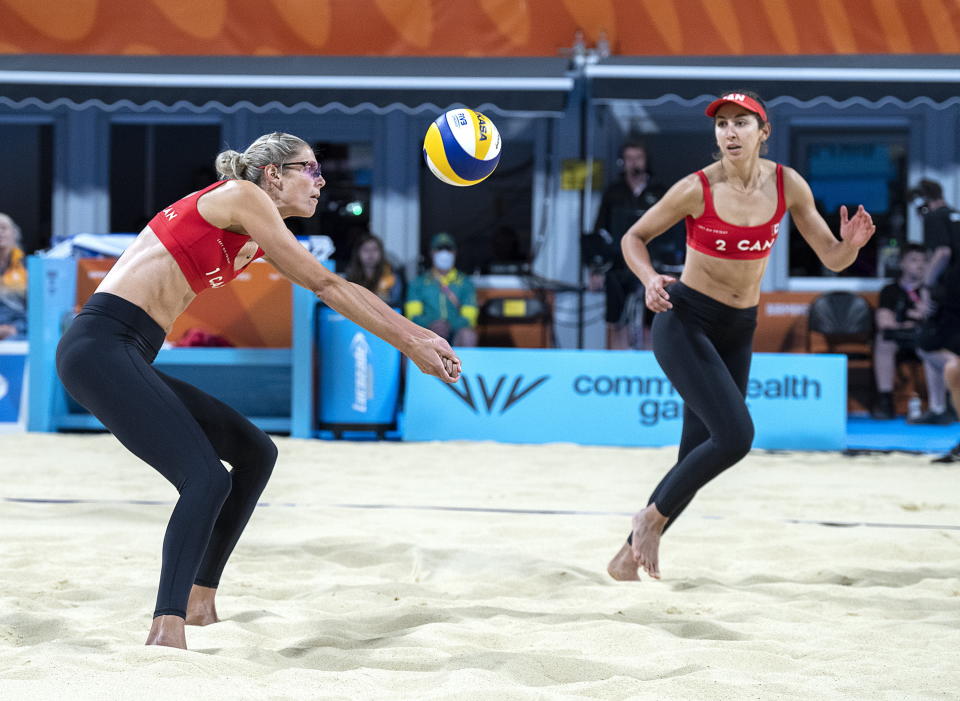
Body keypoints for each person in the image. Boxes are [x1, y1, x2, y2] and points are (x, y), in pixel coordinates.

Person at [55, 132, 461, 650]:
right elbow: (327, 287)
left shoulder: (254, 232)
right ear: (273, 174)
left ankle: (201, 603)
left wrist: (423, 336)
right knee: (203, 479)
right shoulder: (242, 196)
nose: (320, 181)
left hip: (126, 352)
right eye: (309, 169)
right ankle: (166, 628)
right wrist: (409, 345)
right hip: (99, 348)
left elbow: (339, 285)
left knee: (255, 453)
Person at [605, 91, 876, 582]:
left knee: (695, 454)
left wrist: (851, 246)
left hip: (738, 327)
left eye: (741, 123)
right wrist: (648, 280)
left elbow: (832, 258)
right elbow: (632, 238)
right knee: (735, 437)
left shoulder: (787, 184)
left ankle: (626, 559)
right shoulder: (697, 188)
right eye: (722, 124)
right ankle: (649, 519)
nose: (729, 132)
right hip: (685, 320)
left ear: (762, 132)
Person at [583, 139, 667, 349]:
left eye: (637, 158)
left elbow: (670, 229)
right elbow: (599, 230)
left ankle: (649, 364)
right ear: (623, 162)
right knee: (616, 319)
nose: (634, 163)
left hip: (652, 262)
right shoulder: (614, 191)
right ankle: (617, 363)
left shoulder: (659, 191)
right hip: (618, 263)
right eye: (629, 158)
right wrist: (596, 269)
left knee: (652, 320)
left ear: (646, 160)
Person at [871, 244, 950, 423]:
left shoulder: (935, 289)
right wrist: (911, 319)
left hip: (928, 338)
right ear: (902, 264)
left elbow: (941, 323)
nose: (920, 265)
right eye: (914, 260)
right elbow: (884, 323)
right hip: (901, 338)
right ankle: (885, 401)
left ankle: (942, 405)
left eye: (924, 261)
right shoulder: (890, 291)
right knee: (883, 341)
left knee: (934, 347)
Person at [404, 232, 478, 347]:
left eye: (448, 249)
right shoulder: (418, 283)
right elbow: (412, 316)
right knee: (409, 337)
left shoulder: (465, 283)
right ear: (431, 253)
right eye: (439, 249)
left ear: (455, 253)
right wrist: (432, 325)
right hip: (427, 332)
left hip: (455, 333)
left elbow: (470, 317)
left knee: (468, 335)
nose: (444, 253)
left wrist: (449, 325)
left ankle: (464, 365)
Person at [344, 232, 404, 308]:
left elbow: (396, 303)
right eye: (366, 249)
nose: (370, 254)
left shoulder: (392, 276)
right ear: (358, 253)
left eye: (374, 249)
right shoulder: (349, 276)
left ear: (381, 253)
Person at [0, 212, 27, 341]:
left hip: (18, 331)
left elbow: (37, 307)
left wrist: (16, 328)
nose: (0, 232)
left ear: (14, 234)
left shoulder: (27, 267)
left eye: (4, 228)